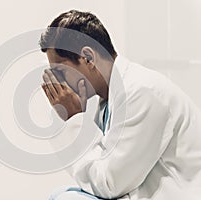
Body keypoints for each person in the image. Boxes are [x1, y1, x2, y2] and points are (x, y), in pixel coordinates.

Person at [39, 10, 201, 200]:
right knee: (62, 195)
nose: (60, 83)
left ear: (88, 58)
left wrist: (74, 118)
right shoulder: (108, 100)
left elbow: (109, 184)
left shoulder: (142, 92)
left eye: (61, 71)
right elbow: (98, 173)